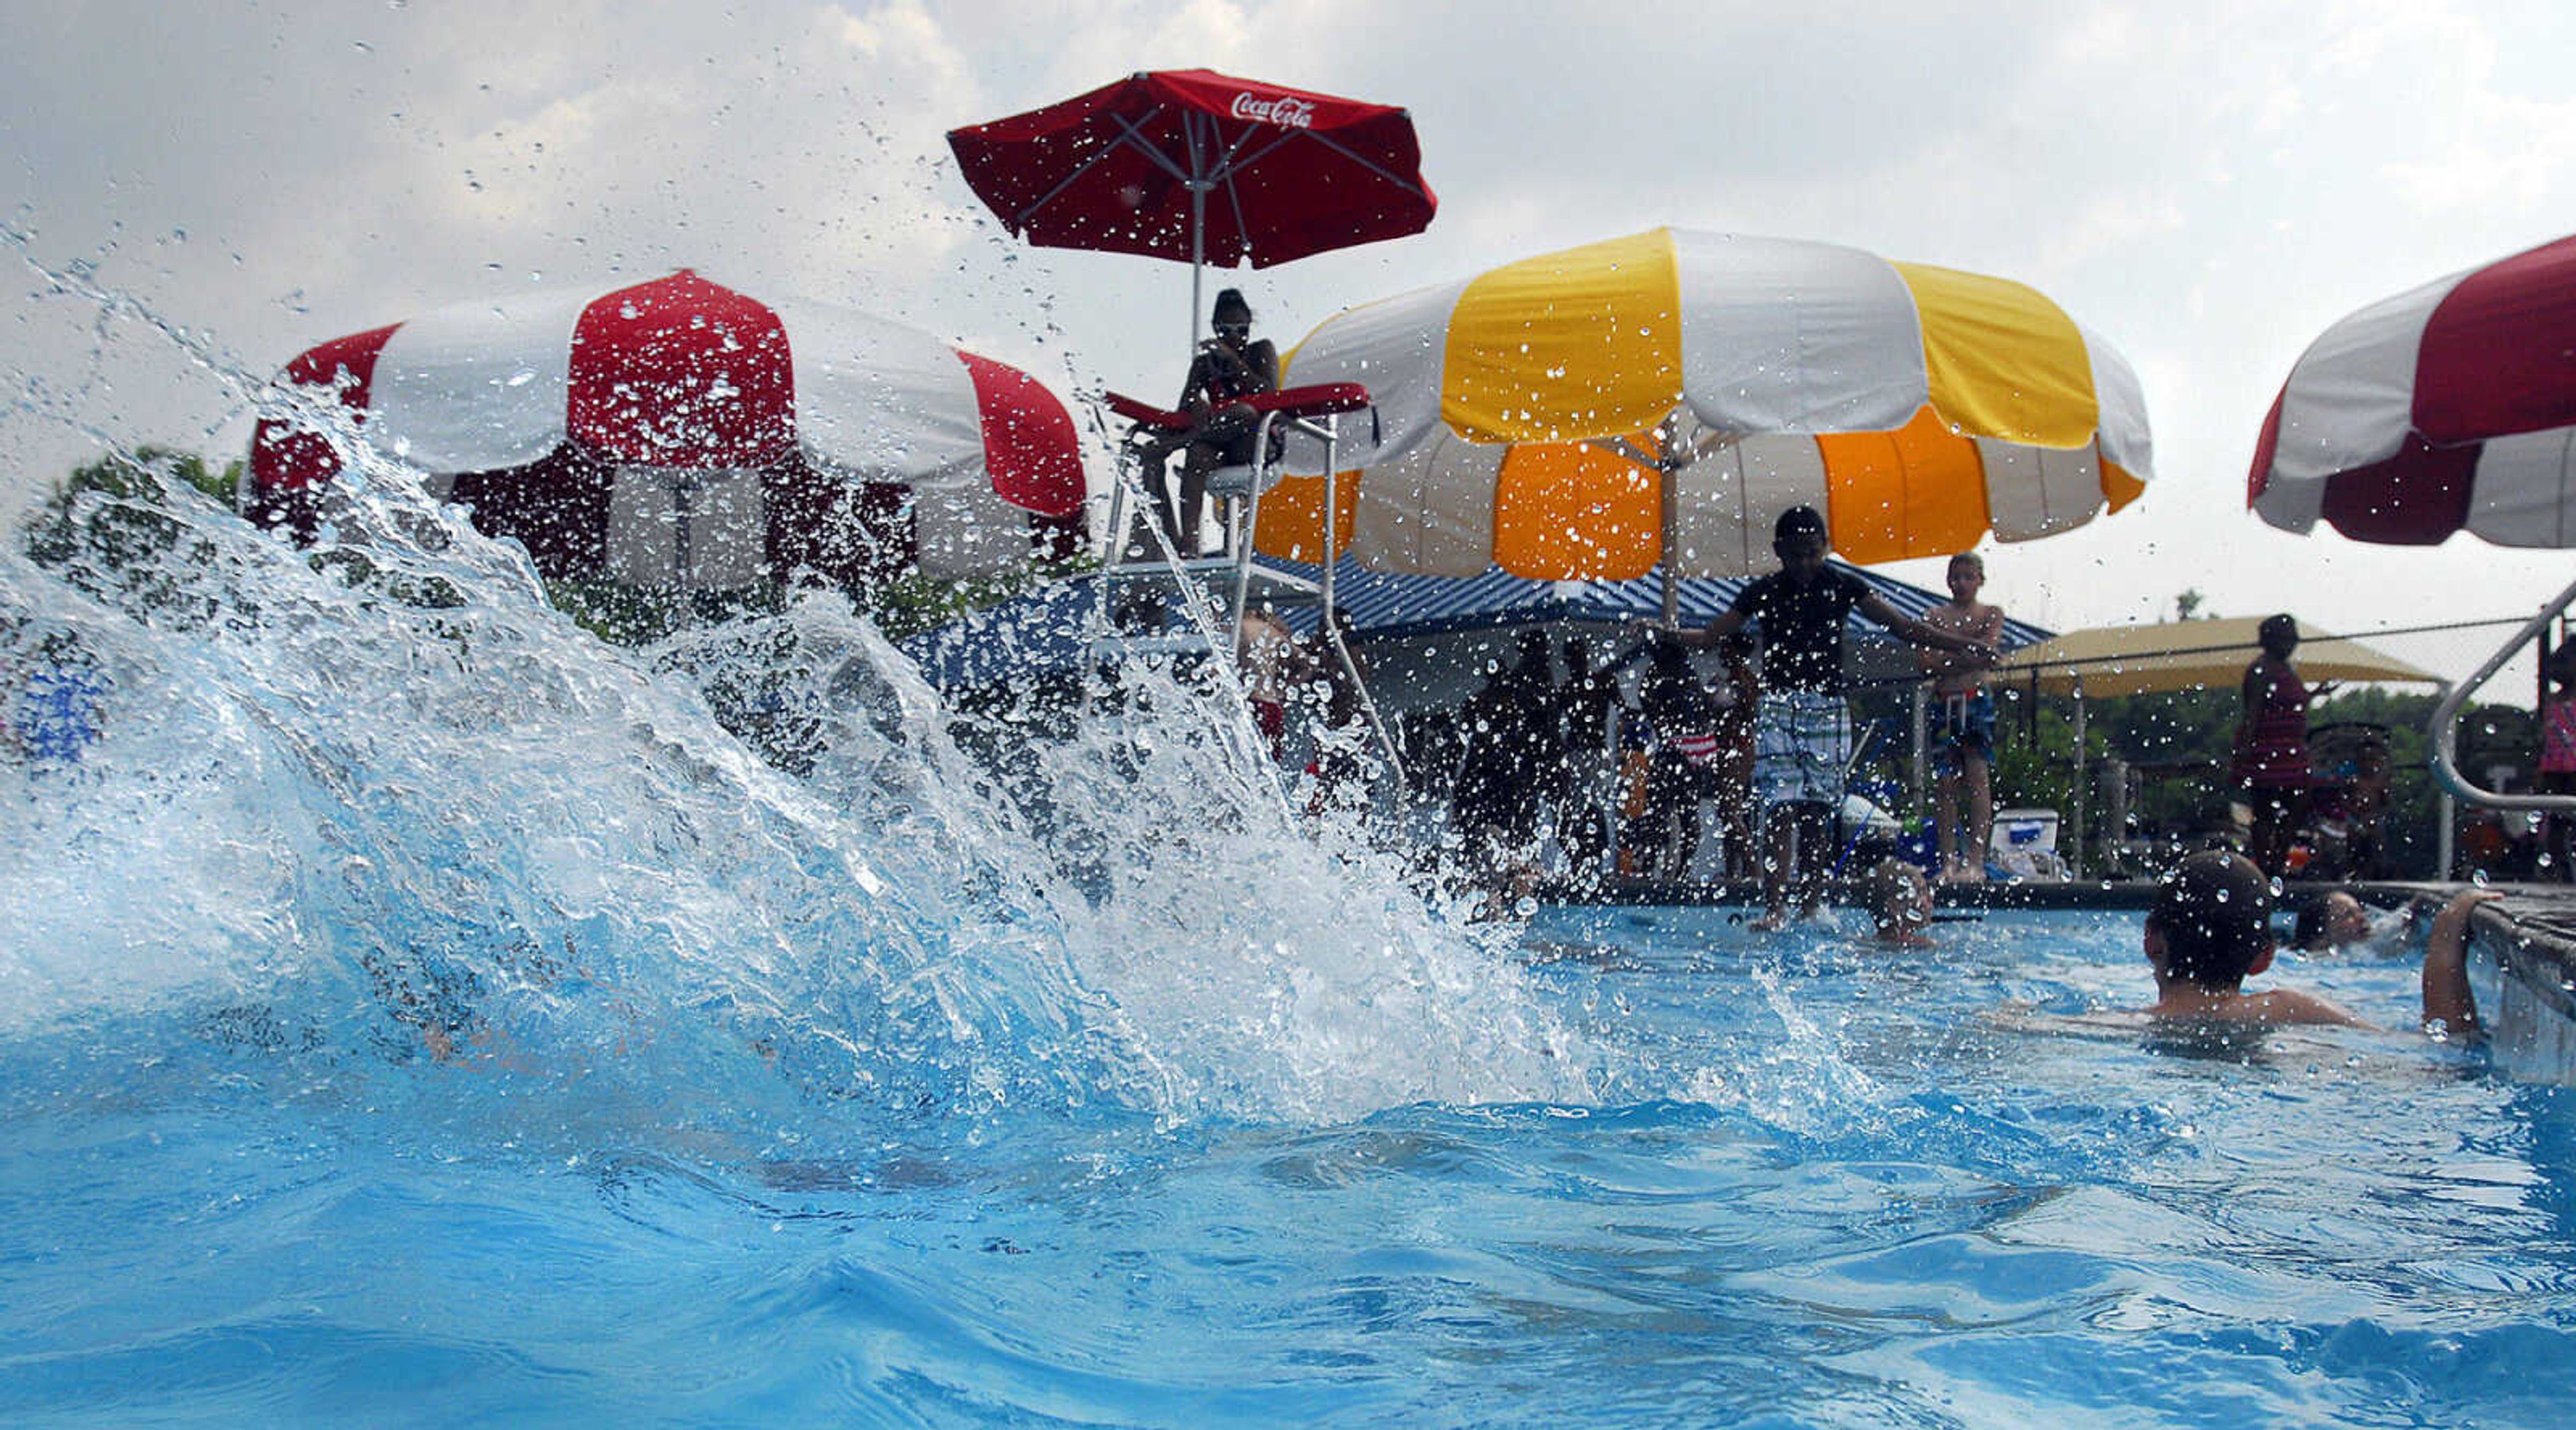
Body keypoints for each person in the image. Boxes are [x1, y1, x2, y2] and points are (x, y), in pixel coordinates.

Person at [1640, 505, 1996, 929]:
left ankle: (1810, 904)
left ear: (1826, 548)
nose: (1805, 564)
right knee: (1780, 807)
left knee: (1816, 809)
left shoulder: (1843, 584)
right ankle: (1775, 907)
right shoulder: (1764, 591)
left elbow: (1903, 627)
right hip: (1778, 706)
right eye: (1796, 555)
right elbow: (1711, 636)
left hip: (1827, 708)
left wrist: (1962, 646)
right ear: (1779, 551)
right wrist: (1664, 634)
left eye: (1813, 553)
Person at [2137, 851, 2493, 1033]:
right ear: (2264, 956)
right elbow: (2446, 1046)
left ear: (2152, 941)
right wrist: (2447, 931)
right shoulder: (2288, 1011)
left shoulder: (2106, 1027)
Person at [1140, 287, 1279, 556]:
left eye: (1242, 330)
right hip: (1218, 442)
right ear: (1217, 329)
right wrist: (1196, 402)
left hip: (1255, 441)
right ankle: (1189, 542)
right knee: (1198, 452)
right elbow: (1183, 409)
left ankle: (1174, 445)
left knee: (1245, 412)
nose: (1235, 337)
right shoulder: (1204, 365)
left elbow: (1268, 394)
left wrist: (1234, 361)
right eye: (1228, 330)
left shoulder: (1261, 350)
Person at [1920, 552, 2005, 884]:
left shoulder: (1991, 613)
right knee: (1945, 784)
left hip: (1975, 701)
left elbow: (1989, 650)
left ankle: (1975, 861)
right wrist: (1971, 656)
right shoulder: (1934, 615)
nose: (1962, 583)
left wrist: (1950, 656)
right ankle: (1948, 862)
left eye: (1969, 577)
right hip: (1945, 702)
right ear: (1947, 581)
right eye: (1956, 577)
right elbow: (1926, 663)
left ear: (1981, 580)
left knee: (1977, 777)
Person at [2234, 613, 2334, 880]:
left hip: (2293, 750)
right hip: (2267, 749)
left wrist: (2315, 694)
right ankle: (2265, 867)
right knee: (2265, 811)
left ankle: (2278, 861)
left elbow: (2290, 704)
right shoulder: (2260, 670)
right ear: (2270, 640)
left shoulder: (2287, 669)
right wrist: (2243, 754)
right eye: (2287, 639)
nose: (2291, 645)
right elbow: (2252, 713)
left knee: (2298, 806)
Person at [1637, 641, 1717, 882]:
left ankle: (1651, 866)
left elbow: (1644, 696)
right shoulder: (1689, 675)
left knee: (1659, 810)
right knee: (1686, 812)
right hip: (1696, 751)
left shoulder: (1664, 674)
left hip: (1677, 749)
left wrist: (1661, 727)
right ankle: (1682, 869)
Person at [1708, 631, 1761, 879]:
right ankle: (1732, 871)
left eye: (1725, 648)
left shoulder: (1741, 680)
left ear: (1736, 652)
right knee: (1727, 814)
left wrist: (1718, 691)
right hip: (1735, 748)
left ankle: (1753, 869)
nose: (1721, 653)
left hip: (1736, 749)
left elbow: (1733, 708)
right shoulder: (1741, 679)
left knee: (1730, 812)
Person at [2539, 643, 2576, 879]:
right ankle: (2558, 868)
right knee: (2556, 821)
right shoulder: (2553, 700)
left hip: (2570, 768)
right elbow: (2545, 737)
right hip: (2555, 768)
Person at [1863, 857, 1936, 948]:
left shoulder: (1867, 944)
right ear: (1894, 907)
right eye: (1921, 892)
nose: (1930, 897)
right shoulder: (1924, 945)